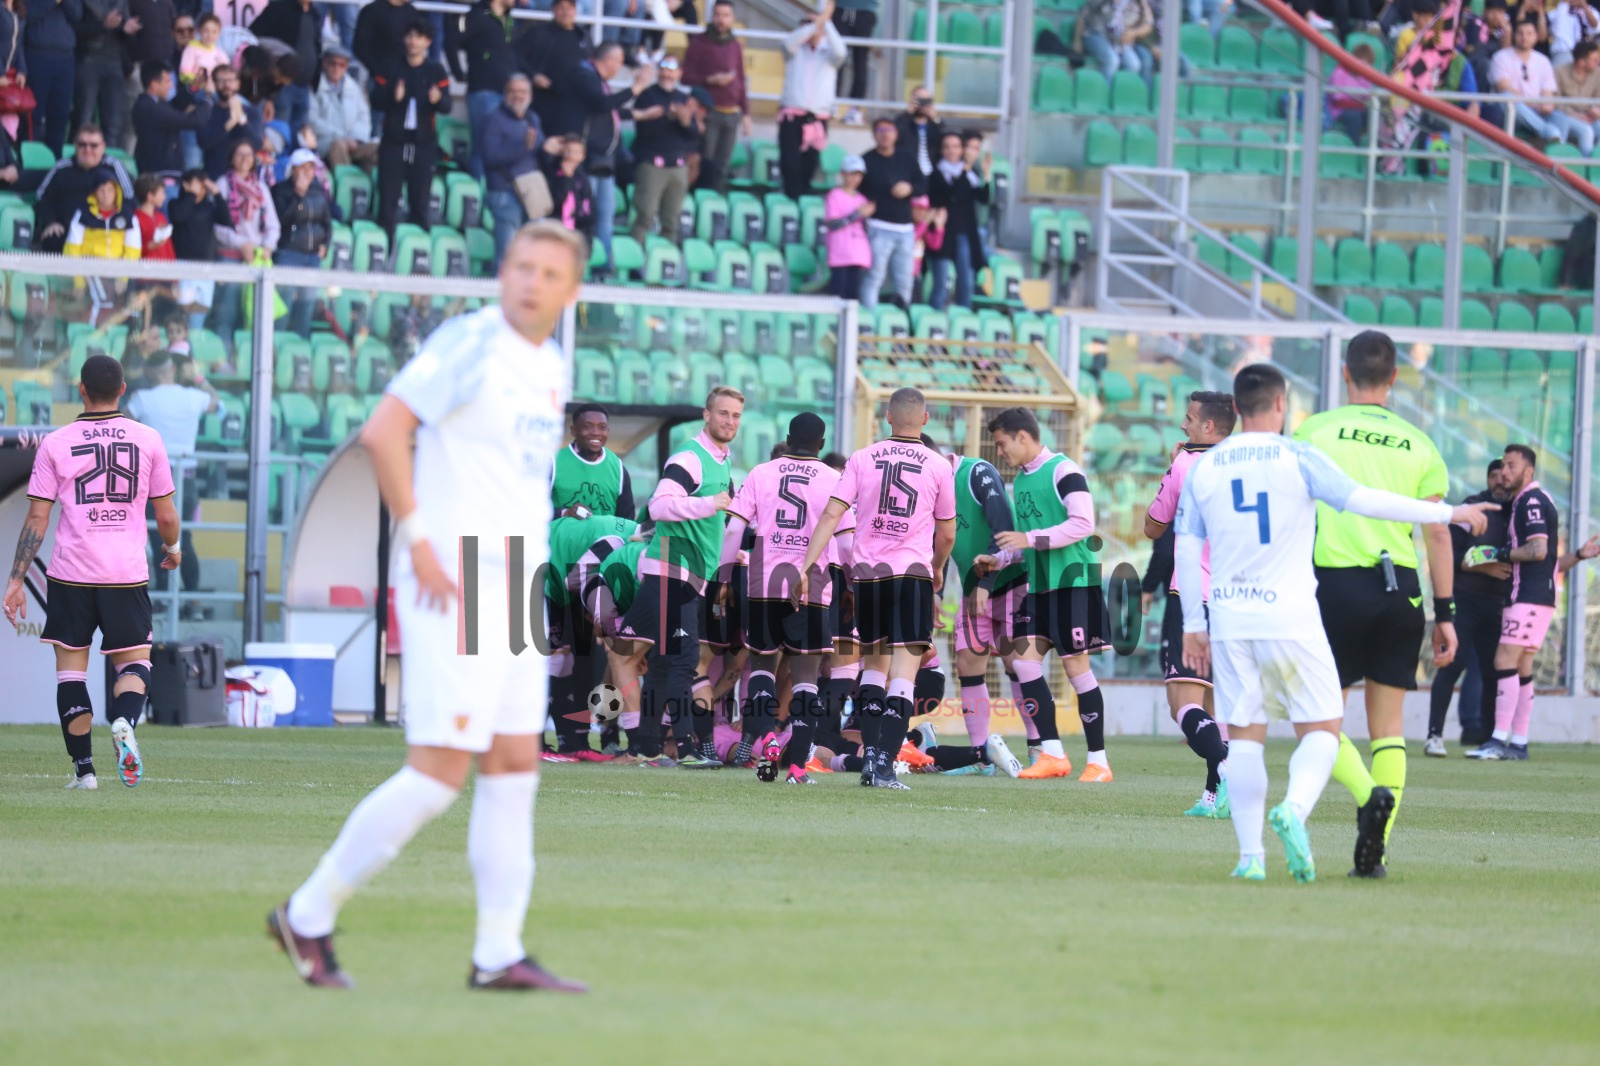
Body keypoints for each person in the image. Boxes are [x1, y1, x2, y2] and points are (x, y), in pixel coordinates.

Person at [267, 221, 589, 993]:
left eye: (548, 272)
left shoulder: (548, 363)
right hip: (456, 573)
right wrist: (415, 540)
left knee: (515, 769)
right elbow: (385, 432)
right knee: (440, 772)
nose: (531, 281)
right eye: (520, 266)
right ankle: (307, 914)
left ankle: (498, 953)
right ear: (503, 271)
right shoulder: (470, 341)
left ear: (570, 289)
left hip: (514, 578)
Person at [1174, 363, 1494, 882]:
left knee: (1247, 738)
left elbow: (1186, 546)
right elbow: (1362, 500)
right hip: (1291, 615)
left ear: (1234, 408)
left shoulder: (1206, 466)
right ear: (1280, 406)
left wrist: (1193, 621)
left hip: (1230, 618)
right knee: (1324, 729)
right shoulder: (1297, 456)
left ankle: (1250, 859)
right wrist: (1447, 514)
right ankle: (1295, 811)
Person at [1293, 329, 1457, 878]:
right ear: (1393, 379)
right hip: (1401, 590)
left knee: (1317, 719)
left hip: (1335, 586)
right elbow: (1437, 534)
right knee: (1389, 729)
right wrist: (1446, 612)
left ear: (1344, 373)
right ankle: (1377, 849)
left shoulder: (1315, 430)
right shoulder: (1420, 444)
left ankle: (1368, 799)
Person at [3, 355, 182, 792]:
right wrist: (173, 548)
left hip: (71, 576)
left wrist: (15, 580)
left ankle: (85, 773)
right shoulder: (148, 440)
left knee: (71, 674)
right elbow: (167, 513)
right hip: (125, 573)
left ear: (81, 390)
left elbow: (37, 520)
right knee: (136, 663)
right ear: (122, 390)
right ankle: (123, 721)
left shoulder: (56, 442)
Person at [796, 387, 956, 791]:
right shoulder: (939, 465)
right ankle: (883, 764)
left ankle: (870, 758)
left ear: (887, 416)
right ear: (924, 419)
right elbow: (948, 531)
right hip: (913, 575)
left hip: (867, 578)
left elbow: (833, 513)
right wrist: (936, 570)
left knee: (873, 668)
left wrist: (806, 564)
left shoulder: (861, 458)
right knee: (903, 674)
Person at [975, 406, 1112, 782]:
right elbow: (1028, 543)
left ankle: (1099, 762)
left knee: (1075, 670)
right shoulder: (1019, 482)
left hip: (1073, 584)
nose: (1000, 452)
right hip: (1038, 588)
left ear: (1022, 436)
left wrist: (1028, 539)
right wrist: (1000, 559)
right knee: (1023, 664)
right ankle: (1053, 753)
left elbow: (1082, 525)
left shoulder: (1065, 471)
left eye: (1002, 444)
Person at [611, 386, 743, 768]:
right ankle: (685, 748)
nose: (729, 422)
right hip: (671, 569)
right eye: (723, 414)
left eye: (735, 416)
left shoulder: (722, 460)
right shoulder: (691, 457)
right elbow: (658, 506)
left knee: (668, 661)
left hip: (688, 575)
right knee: (684, 658)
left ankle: (647, 746)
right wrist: (709, 503)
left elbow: (720, 525)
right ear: (706, 415)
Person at [718, 413, 841, 785]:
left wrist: (724, 577)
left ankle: (767, 737)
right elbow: (848, 542)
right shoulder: (834, 478)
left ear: (788, 439)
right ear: (821, 444)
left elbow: (735, 528)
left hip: (763, 582)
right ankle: (798, 768)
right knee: (806, 676)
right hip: (813, 586)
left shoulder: (761, 473)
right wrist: (850, 583)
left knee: (762, 668)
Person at [1466, 446, 1598, 759]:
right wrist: (1579, 555)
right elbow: (1549, 561)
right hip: (1536, 598)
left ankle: (1498, 740)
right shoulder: (1531, 501)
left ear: (1528, 471)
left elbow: (1537, 551)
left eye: (1511, 466)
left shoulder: (1531, 501)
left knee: (1503, 660)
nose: (1504, 472)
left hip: (1529, 598)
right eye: (1502, 466)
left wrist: (1494, 553)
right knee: (1522, 666)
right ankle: (1519, 742)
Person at [1142, 391, 1234, 816]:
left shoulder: (1187, 462)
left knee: (1184, 704)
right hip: (1241, 599)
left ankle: (1231, 771)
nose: (1184, 425)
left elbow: (1152, 526)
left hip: (1194, 596)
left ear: (1209, 427)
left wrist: (1173, 465)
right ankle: (1215, 797)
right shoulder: (1249, 464)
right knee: (1219, 706)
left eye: (1191, 418)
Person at [938, 443, 1028, 779]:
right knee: (967, 663)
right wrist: (936, 592)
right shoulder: (930, 486)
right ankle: (981, 756)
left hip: (1012, 581)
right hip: (972, 586)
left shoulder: (976, 473)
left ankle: (1039, 749)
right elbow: (941, 541)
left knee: (1016, 662)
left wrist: (985, 585)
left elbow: (1003, 531)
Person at [1426, 460, 1513, 755]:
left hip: (1499, 605)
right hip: (1464, 600)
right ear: (1488, 478)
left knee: (1494, 670)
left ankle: (1491, 738)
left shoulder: (1519, 512)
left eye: (1505, 476)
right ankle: (1434, 735)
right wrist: (1484, 567)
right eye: (1495, 476)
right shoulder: (1471, 508)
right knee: (1452, 664)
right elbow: (1449, 554)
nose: (1500, 481)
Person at [543, 512, 638, 762]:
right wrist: (600, 615)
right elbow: (572, 580)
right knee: (553, 659)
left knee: (576, 661)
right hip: (540, 572)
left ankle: (574, 741)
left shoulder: (632, 544)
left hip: (563, 581)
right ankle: (534, 742)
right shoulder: (616, 543)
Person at [127, 348, 216, 595]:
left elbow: (122, 424)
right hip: (185, 478)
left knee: (158, 538)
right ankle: (192, 596)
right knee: (184, 537)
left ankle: (165, 595)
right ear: (173, 370)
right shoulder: (193, 397)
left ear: (149, 373)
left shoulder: (142, 398)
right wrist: (199, 378)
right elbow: (216, 403)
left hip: (153, 479)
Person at [560, 42, 652, 271]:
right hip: (586, 158)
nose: (620, 67)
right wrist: (636, 88)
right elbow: (601, 104)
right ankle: (580, 264)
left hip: (605, 160)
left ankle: (602, 266)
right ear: (609, 60)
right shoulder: (584, 75)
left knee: (605, 214)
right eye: (619, 62)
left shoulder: (600, 82)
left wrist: (637, 114)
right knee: (585, 213)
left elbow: (609, 110)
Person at [374, 21, 451, 236]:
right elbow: (375, 99)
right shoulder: (391, 66)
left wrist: (437, 100)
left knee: (420, 202)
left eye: (419, 37)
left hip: (424, 143)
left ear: (428, 42)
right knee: (388, 201)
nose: (413, 41)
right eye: (409, 36)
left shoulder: (436, 70)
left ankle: (417, 254)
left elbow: (447, 106)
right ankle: (384, 250)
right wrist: (393, 96)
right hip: (393, 141)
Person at [777, 0, 845, 200]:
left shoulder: (830, 54)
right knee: (789, 163)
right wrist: (817, 22)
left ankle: (803, 203)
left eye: (814, 25)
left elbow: (841, 51)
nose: (811, 28)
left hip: (818, 118)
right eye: (805, 23)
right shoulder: (793, 51)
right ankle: (791, 201)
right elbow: (788, 42)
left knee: (810, 165)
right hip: (792, 116)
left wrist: (826, 23)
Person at [213, 141, 280, 342]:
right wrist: (241, 243)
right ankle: (222, 358)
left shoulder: (260, 188)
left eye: (249, 155)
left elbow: (273, 225)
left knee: (255, 315)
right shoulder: (222, 184)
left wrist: (268, 245)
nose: (244, 159)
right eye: (240, 154)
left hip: (257, 261)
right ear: (232, 158)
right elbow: (218, 226)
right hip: (231, 258)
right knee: (227, 313)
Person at [33, 125, 136, 253]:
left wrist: (114, 223)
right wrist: (50, 222)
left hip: (106, 230)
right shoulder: (62, 167)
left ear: (103, 146)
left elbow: (129, 198)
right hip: (67, 229)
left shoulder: (113, 166)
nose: (88, 149)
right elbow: (41, 196)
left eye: (94, 145)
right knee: (52, 238)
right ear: (75, 145)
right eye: (83, 144)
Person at [680, 0, 748, 193]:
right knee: (705, 162)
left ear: (732, 18)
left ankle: (714, 204)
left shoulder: (735, 46)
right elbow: (685, 77)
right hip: (709, 112)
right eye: (718, 14)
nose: (721, 19)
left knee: (722, 165)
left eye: (725, 15)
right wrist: (711, 80)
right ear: (711, 16)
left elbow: (741, 80)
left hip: (732, 114)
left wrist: (747, 113)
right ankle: (700, 201)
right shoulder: (698, 43)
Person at [450, 0, 524, 180]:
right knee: (482, 145)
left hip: (508, 93)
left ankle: (494, 191)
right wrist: (458, 73)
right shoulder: (475, 15)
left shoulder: (510, 19)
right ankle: (480, 194)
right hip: (483, 91)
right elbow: (451, 41)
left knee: (503, 145)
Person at [629, 55, 698, 245]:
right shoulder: (647, 95)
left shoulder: (684, 98)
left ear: (679, 73)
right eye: (663, 68)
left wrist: (685, 122)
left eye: (672, 69)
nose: (667, 73)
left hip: (678, 167)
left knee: (671, 221)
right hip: (652, 164)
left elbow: (693, 136)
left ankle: (665, 264)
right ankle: (634, 260)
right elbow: (642, 131)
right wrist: (668, 117)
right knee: (645, 215)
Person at [857, 116, 923, 309]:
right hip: (878, 227)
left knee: (905, 280)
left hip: (905, 229)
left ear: (896, 134)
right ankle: (869, 324)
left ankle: (899, 327)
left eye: (889, 130)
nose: (885, 135)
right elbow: (857, 192)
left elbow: (922, 185)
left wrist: (909, 188)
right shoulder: (866, 160)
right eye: (880, 131)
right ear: (874, 135)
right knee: (874, 277)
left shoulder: (907, 158)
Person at [482, 73, 544, 268]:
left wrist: (551, 148)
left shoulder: (533, 118)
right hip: (504, 192)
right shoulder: (493, 118)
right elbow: (490, 157)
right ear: (505, 94)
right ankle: (497, 296)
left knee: (535, 255)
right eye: (513, 91)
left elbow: (538, 148)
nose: (518, 96)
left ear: (531, 96)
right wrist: (523, 147)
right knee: (507, 255)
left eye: (523, 91)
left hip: (531, 193)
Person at [65, 169, 143, 323]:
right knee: (99, 304)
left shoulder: (127, 215)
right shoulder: (83, 214)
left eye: (110, 190)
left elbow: (133, 250)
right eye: (101, 190)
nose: (106, 195)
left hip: (118, 269)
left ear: (117, 192)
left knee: (131, 307)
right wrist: (78, 280)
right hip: (89, 267)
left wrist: (123, 277)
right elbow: (72, 248)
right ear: (94, 193)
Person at [272, 147, 332, 337]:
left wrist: (325, 245)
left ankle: (299, 346)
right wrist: (297, 196)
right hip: (288, 254)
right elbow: (281, 222)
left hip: (312, 257)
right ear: (293, 169)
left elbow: (327, 224)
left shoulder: (317, 192)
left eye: (310, 168)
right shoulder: (280, 191)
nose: (306, 172)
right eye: (302, 168)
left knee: (306, 304)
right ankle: (276, 344)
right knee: (284, 303)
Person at [926, 131, 988, 311]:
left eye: (955, 146)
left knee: (966, 281)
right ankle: (935, 321)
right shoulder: (936, 174)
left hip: (964, 232)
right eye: (946, 146)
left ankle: (963, 320)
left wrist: (986, 175)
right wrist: (965, 170)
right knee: (941, 284)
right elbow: (951, 195)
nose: (951, 151)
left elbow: (983, 197)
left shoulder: (970, 174)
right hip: (943, 233)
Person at [169, 167, 229, 332]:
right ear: (186, 186)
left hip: (205, 269)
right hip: (183, 267)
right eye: (194, 186)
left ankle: (193, 351)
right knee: (182, 314)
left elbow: (227, 219)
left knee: (197, 319)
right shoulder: (175, 204)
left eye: (201, 187)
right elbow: (178, 217)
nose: (198, 191)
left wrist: (216, 193)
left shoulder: (209, 207)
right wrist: (190, 195)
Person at [552, 403, 636, 520]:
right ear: (573, 431)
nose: (596, 432)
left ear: (608, 431)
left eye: (602, 427)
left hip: (603, 538)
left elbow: (627, 519)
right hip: (560, 538)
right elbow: (529, 508)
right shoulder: (553, 462)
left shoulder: (618, 467)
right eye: (587, 426)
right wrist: (565, 512)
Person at [133, 59, 214, 178]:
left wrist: (193, 87)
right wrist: (208, 98)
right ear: (154, 85)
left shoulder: (150, 104)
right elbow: (195, 121)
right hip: (161, 177)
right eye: (167, 81)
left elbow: (174, 106)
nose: (171, 85)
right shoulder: (150, 108)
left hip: (160, 173)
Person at [249, 0, 320, 134]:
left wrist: (315, 79)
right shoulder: (279, 7)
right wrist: (269, 89)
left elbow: (316, 46)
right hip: (281, 85)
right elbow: (252, 36)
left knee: (300, 137)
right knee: (279, 134)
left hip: (305, 86)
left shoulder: (314, 13)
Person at [1491, 19, 1565, 144]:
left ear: (1536, 37)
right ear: (1514, 35)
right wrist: (1532, 104)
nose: (1524, 37)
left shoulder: (1543, 60)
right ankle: (1546, 131)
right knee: (1507, 98)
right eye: (1520, 33)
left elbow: (1547, 91)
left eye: (1529, 33)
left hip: (1537, 110)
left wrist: (1546, 105)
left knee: (1563, 120)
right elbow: (1502, 86)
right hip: (1512, 112)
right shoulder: (1500, 56)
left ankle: (1559, 158)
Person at [76, 0, 137, 148]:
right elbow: (75, 29)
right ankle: (80, 161)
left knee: (113, 122)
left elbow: (124, 34)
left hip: (114, 63)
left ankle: (108, 165)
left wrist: (127, 30)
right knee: (84, 117)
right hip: (88, 60)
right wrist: (102, 25)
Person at [521, 0, 586, 136]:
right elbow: (516, 57)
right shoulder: (537, 32)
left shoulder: (583, 37)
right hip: (542, 101)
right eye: (561, 8)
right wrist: (534, 75)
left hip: (572, 105)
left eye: (570, 8)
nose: (566, 12)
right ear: (553, 10)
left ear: (575, 10)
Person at [24, 0, 79, 158]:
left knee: (60, 115)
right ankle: (31, 162)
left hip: (66, 58)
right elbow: (27, 15)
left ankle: (56, 165)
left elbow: (77, 15)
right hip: (37, 55)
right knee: (33, 116)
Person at [310, 45, 379, 169]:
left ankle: (368, 185)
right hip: (327, 142)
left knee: (378, 148)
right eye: (333, 63)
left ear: (346, 67)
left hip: (354, 142)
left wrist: (356, 139)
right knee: (338, 146)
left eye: (341, 65)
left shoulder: (354, 88)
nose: (336, 68)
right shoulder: (315, 87)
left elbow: (364, 118)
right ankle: (346, 185)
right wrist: (341, 136)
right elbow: (313, 121)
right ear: (325, 63)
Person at [352, 0, 419, 119]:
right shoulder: (372, 10)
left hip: (407, 79)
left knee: (405, 127)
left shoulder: (412, 12)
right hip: (380, 81)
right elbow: (360, 46)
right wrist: (378, 72)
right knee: (376, 130)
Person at [197, 64, 265, 178]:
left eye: (231, 81)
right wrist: (229, 124)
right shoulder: (208, 111)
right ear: (214, 84)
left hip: (243, 179)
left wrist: (241, 118)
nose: (227, 85)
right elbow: (203, 142)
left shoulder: (252, 112)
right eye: (221, 81)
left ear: (238, 84)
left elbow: (257, 143)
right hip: (215, 177)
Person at [822, 153, 872, 299]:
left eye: (858, 175)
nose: (855, 179)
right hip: (839, 254)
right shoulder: (835, 195)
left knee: (853, 296)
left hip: (857, 255)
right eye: (851, 174)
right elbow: (833, 224)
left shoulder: (862, 198)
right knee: (837, 295)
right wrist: (856, 214)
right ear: (843, 174)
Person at [539, 134, 595, 240]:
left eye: (576, 152)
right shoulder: (553, 173)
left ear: (582, 156)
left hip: (577, 233)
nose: (572, 156)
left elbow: (588, 212)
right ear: (562, 152)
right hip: (555, 230)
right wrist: (566, 178)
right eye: (568, 151)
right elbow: (556, 200)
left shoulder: (583, 179)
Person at [1076, 0, 1146, 81]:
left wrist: (1129, 33)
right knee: (1112, 60)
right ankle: (1104, 91)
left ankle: (1118, 92)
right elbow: (1081, 17)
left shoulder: (1131, 3)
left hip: (1116, 38)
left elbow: (1133, 22)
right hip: (1094, 34)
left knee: (1133, 65)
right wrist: (1077, 42)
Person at [830, 0, 875, 124]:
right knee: (837, 59)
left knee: (860, 63)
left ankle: (854, 110)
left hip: (864, 11)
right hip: (842, 9)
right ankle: (831, 104)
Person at [1554, 40, 1600, 155]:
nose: (1598, 61)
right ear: (1581, 62)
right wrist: (1575, 115)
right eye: (1594, 60)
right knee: (1586, 131)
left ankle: (1596, 166)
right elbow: (1555, 101)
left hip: (1590, 116)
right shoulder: (1560, 72)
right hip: (1567, 116)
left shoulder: (1598, 74)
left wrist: (1595, 111)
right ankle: (1585, 166)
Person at [893, 87, 944, 179]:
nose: (922, 104)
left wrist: (936, 119)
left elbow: (946, 140)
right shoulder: (903, 122)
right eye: (919, 100)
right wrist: (908, 114)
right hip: (907, 174)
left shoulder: (935, 125)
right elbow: (894, 136)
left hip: (932, 175)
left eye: (926, 100)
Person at [133, 171, 176, 261]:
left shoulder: (161, 217)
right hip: (144, 272)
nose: (164, 197)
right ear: (150, 196)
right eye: (161, 193)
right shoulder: (135, 218)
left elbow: (168, 247)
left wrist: (173, 271)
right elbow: (133, 250)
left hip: (165, 272)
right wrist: (151, 246)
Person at [179, 12, 226, 89]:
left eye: (214, 32)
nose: (210, 35)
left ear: (219, 33)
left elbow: (226, 72)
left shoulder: (220, 53)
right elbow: (184, 75)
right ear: (199, 31)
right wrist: (201, 81)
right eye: (206, 31)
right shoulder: (191, 49)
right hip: (197, 90)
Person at [1549, 0, 1599, 67]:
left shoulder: (1591, 10)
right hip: (1564, 51)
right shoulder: (1560, 9)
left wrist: (1584, 6)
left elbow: (1596, 26)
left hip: (1584, 52)